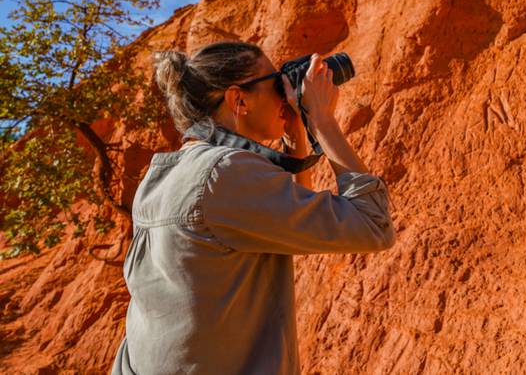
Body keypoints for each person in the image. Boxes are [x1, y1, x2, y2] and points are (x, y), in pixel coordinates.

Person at [110, 40, 396, 375]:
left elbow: (292, 231)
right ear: (239, 99)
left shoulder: (162, 174)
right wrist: (322, 119)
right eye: (275, 83)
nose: (284, 93)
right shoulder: (226, 173)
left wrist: (295, 134)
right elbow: (372, 225)